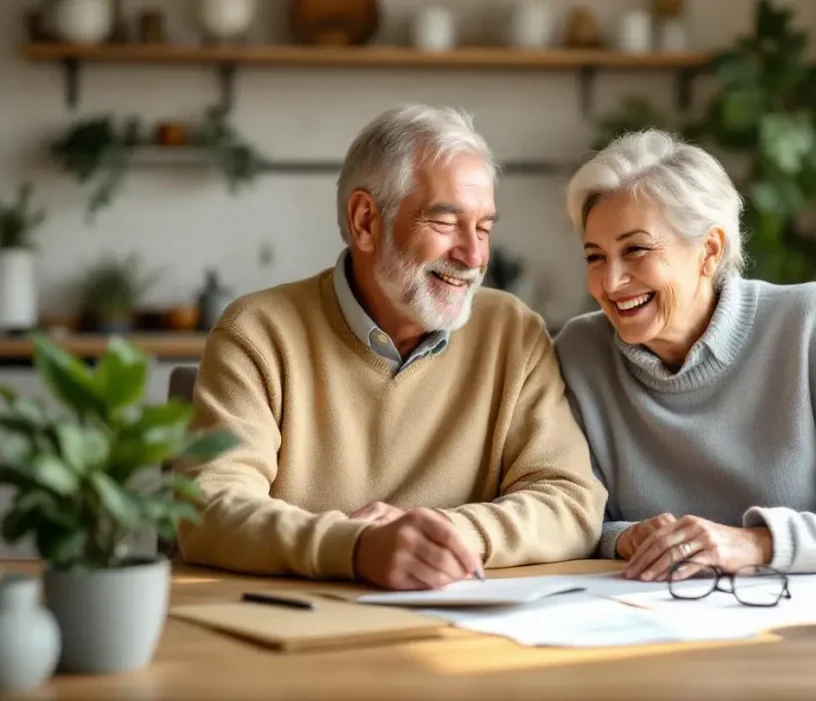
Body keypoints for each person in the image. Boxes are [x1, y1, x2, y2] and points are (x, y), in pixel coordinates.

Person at [175, 105, 607, 590]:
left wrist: (440, 537)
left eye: (483, 228)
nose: (475, 256)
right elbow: (208, 508)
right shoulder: (256, 332)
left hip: (461, 637)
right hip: (296, 634)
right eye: (446, 223)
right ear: (365, 221)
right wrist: (357, 549)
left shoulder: (512, 331)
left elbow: (571, 502)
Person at [553, 129, 816, 582]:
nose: (611, 282)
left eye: (635, 250)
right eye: (595, 257)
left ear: (709, 250)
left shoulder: (811, 325)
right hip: (640, 621)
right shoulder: (580, 354)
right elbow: (570, 514)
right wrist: (624, 537)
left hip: (808, 629)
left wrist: (759, 543)